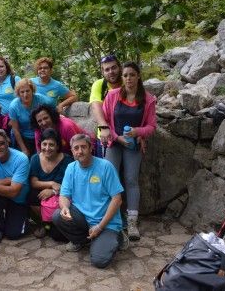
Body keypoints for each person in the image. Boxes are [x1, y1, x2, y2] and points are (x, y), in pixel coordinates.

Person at [102, 61, 157, 240]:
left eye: (132, 75)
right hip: (115, 142)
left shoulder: (148, 99)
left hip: (133, 144)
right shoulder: (112, 95)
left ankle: (132, 221)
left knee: (131, 179)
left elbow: (151, 126)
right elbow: (105, 121)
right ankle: (111, 218)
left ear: (138, 76)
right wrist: (117, 137)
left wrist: (137, 132)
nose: (128, 79)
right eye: (125, 75)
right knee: (110, 177)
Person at [52, 134, 124, 268]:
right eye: (76, 148)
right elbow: (64, 196)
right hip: (83, 219)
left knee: (99, 261)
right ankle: (83, 241)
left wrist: (100, 227)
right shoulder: (71, 168)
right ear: (72, 151)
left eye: (83, 147)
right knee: (57, 215)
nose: (80, 151)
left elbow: (117, 199)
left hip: (106, 223)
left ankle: (116, 237)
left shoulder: (105, 166)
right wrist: (65, 208)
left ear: (91, 148)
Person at [28, 128, 74, 239]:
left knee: (57, 236)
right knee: (31, 195)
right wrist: (52, 184)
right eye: (44, 144)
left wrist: (53, 191)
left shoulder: (67, 161)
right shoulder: (35, 158)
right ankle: (44, 223)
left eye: (51, 145)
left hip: (62, 195)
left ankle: (55, 223)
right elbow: (34, 182)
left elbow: (71, 185)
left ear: (58, 146)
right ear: (40, 144)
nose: (47, 148)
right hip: (43, 194)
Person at [9, 78, 52, 157]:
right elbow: (15, 129)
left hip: (41, 134)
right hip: (24, 137)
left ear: (32, 91)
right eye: (22, 92)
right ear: (18, 93)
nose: (25, 94)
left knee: (42, 157)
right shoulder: (14, 106)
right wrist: (23, 149)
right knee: (25, 158)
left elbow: (52, 112)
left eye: (27, 91)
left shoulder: (41, 99)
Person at [89, 54, 123, 154]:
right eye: (107, 70)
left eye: (114, 68)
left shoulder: (127, 82)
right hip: (106, 136)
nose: (111, 72)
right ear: (103, 72)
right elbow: (96, 105)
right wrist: (104, 127)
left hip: (127, 135)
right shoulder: (100, 84)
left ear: (120, 67)